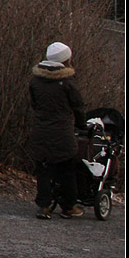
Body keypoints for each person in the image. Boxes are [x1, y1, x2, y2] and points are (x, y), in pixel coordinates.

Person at [30, 41, 85, 219]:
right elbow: (78, 106)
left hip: (40, 129)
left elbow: (34, 104)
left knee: (43, 168)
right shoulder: (67, 82)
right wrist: (82, 125)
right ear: (66, 59)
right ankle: (69, 205)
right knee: (66, 168)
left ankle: (44, 205)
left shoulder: (36, 81)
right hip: (62, 131)